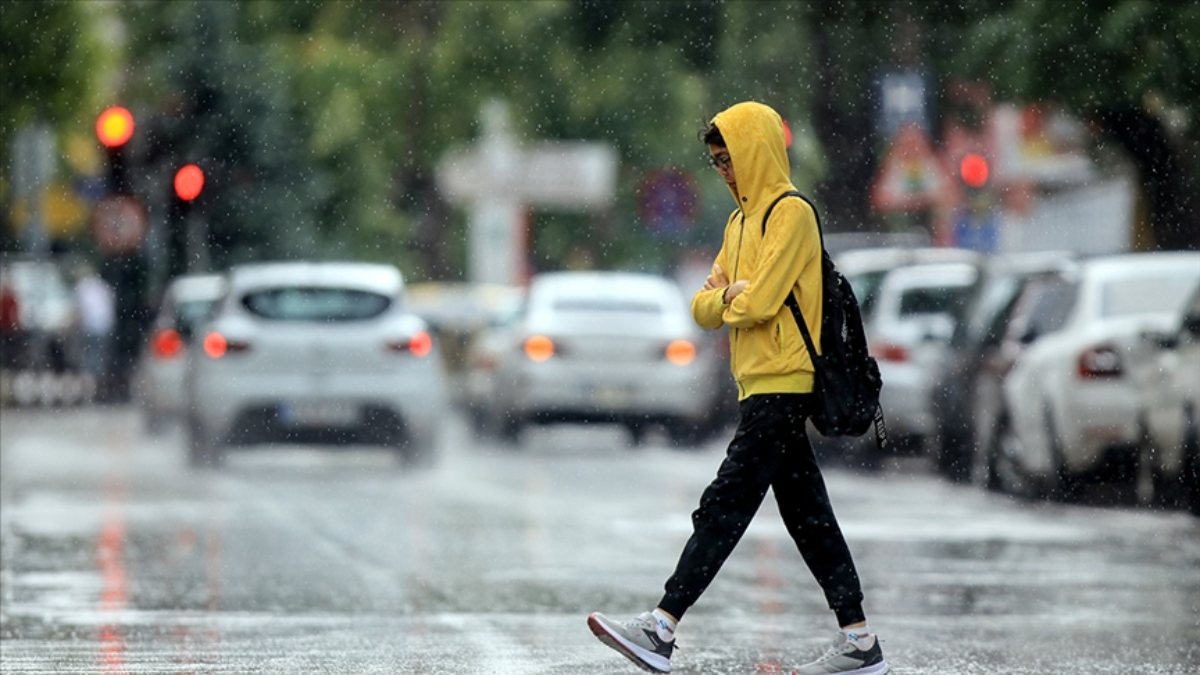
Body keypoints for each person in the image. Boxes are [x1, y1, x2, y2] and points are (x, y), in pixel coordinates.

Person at [587, 101, 890, 675]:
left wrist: (729, 296)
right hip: (755, 383)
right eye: (715, 162)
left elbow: (763, 301)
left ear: (756, 152)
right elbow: (702, 307)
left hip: (785, 385)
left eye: (729, 158)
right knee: (809, 517)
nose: (724, 171)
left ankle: (661, 626)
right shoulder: (737, 224)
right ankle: (859, 641)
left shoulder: (791, 213)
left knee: (724, 504)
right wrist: (730, 295)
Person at [72, 264, 116, 396]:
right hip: (105, 326)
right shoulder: (103, 285)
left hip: (90, 326)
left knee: (89, 357)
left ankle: (90, 387)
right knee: (101, 356)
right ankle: (100, 384)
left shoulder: (82, 286)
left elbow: (79, 309)